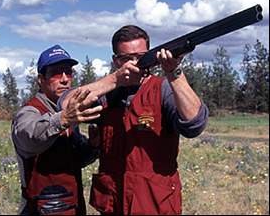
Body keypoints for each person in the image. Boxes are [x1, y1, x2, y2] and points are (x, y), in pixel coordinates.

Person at [58, 25, 209, 215]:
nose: (135, 63)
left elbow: (195, 124)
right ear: (115, 61)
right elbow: (64, 105)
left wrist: (174, 72)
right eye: (126, 59)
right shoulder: (106, 94)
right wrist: (115, 80)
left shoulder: (162, 89)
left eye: (141, 57)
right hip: (113, 204)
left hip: (155, 204)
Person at [11, 44, 103, 215]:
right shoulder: (30, 111)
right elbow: (31, 137)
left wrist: (92, 145)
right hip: (40, 208)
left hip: (72, 206)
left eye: (68, 72)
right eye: (56, 73)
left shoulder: (67, 113)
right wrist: (64, 118)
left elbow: (77, 159)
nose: (64, 79)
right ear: (41, 79)